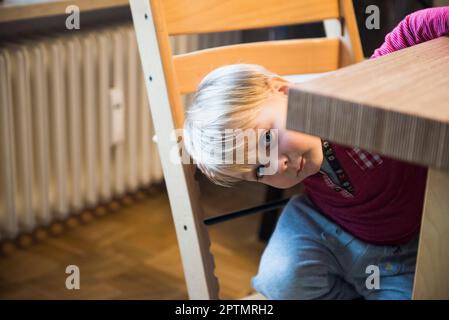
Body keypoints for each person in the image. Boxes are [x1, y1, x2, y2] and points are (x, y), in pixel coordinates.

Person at [183, 7, 449, 299]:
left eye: (268, 139)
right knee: (280, 281)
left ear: (284, 90)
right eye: (259, 170)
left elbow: (413, 29)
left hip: (396, 254)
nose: (278, 165)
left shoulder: (358, 99)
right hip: (320, 227)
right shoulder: (293, 154)